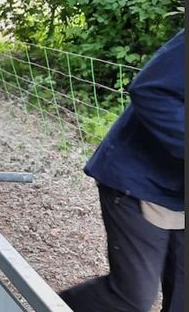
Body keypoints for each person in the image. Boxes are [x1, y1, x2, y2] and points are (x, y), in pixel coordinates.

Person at [59, 30, 185, 312]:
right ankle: (47, 306)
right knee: (131, 297)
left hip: (179, 189)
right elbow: (151, 90)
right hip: (139, 179)